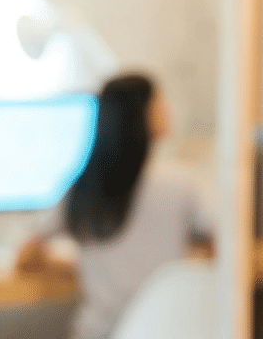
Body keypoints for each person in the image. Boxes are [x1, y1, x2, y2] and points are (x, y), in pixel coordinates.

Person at [17, 73, 212, 339]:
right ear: (147, 114)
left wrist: (84, 265)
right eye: (160, 102)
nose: (168, 109)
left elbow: (27, 255)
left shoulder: (82, 187)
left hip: (98, 332)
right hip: (160, 331)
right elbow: (226, 244)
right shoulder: (182, 184)